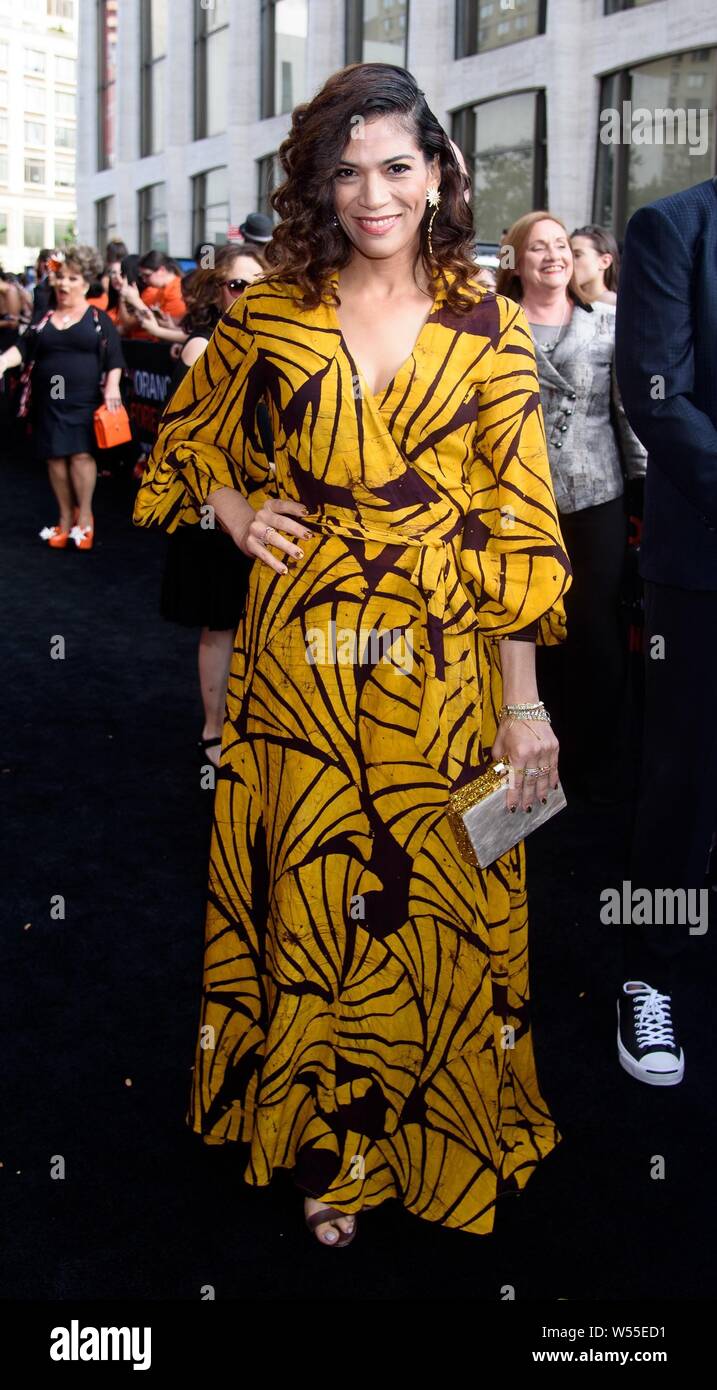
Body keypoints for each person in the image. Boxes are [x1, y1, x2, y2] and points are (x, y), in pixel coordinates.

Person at [134, 63, 571, 1248]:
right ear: (318, 184)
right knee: (319, 897)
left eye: (394, 165)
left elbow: (519, 528)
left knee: (427, 898)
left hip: (438, 665)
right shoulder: (273, 309)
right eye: (345, 169)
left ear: (438, 175)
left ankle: (417, 1134)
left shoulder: (489, 322)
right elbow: (188, 436)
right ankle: (346, 1139)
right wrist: (233, 508)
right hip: (300, 662)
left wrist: (522, 706)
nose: (371, 192)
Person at [614, 178, 717, 1086]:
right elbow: (657, 394)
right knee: (684, 778)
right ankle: (650, 976)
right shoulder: (673, 227)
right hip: (703, 570)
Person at [497, 211, 645, 802]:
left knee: (594, 630)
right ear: (517, 259)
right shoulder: (493, 325)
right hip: (519, 501)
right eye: (538, 247)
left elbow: (627, 411)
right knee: (527, 626)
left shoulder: (608, 323)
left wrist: (639, 486)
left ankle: (591, 760)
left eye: (561, 245)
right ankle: (532, 750)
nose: (553, 255)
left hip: (596, 496)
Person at [159, 244, 269, 767]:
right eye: (235, 286)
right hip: (215, 506)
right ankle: (214, 727)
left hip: (274, 503)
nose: (246, 295)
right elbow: (192, 442)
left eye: (257, 284)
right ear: (215, 291)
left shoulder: (283, 340)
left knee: (263, 621)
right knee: (221, 621)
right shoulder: (202, 348)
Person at [0, 244, 124, 550]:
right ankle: (65, 518)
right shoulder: (44, 319)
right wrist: (3, 361)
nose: (64, 284)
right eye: (61, 278)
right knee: (55, 457)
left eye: (72, 278)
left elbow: (116, 359)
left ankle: (86, 519)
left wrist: (112, 386)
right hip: (49, 401)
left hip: (84, 401)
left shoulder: (97, 318)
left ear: (85, 282)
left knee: (81, 455)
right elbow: (23, 348)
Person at [570, 225, 619, 305]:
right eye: (569, 255)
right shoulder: (564, 303)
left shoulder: (617, 307)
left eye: (577, 255)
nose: (569, 262)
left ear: (605, 262)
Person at [136, 251, 187, 322]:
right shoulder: (163, 288)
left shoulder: (178, 291)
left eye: (147, 275)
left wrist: (136, 302)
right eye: (142, 276)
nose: (144, 280)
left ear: (162, 270)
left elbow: (169, 324)